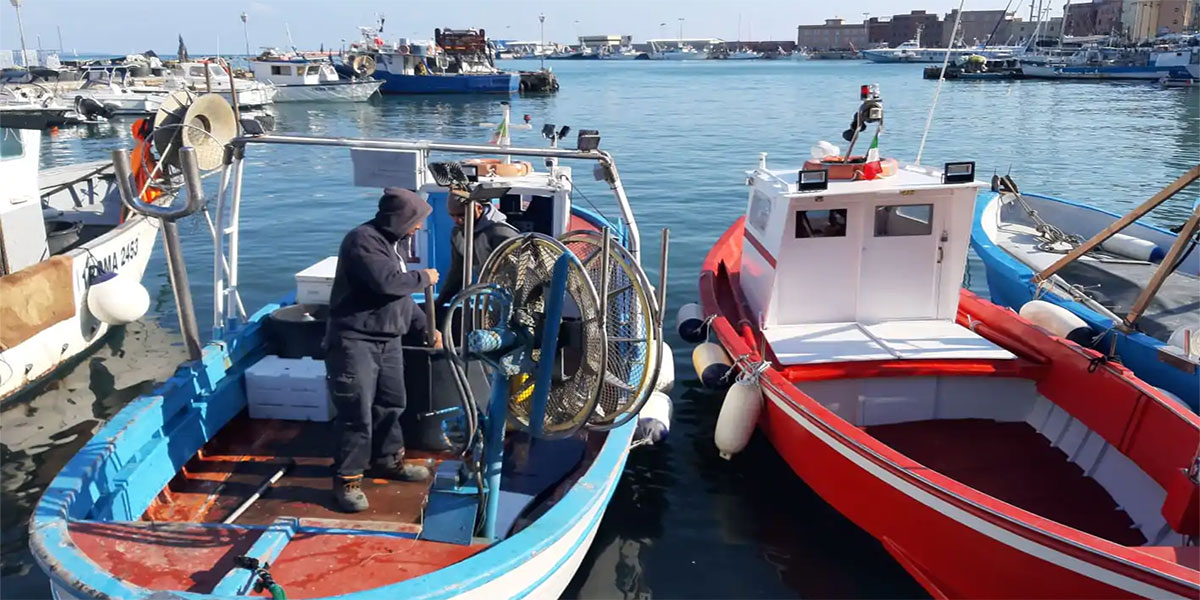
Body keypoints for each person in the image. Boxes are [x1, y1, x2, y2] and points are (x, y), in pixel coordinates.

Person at [325, 187, 441, 513]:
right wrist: (424, 277)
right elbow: (388, 283)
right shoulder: (362, 240)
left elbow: (399, 296)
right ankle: (347, 480)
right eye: (415, 221)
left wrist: (424, 326)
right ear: (401, 219)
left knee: (392, 403)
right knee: (356, 412)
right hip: (354, 341)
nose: (417, 228)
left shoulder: (392, 246)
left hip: (389, 339)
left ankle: (389, 460)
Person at [434, 196, 519, 306]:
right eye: (452, 216)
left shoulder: (501, 233)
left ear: (478, 208)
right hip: (493, 297)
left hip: (513, 297)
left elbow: (520, 272)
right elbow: (457, 272)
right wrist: (440, 302)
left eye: (461, 215)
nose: (457, 220)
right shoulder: (458, 234)